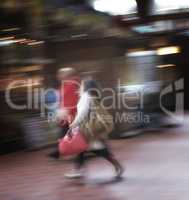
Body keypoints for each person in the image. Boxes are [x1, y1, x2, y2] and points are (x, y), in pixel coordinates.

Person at [65, 79, 123, 178]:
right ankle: (78, 170)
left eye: (82, 85)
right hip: (89, 128)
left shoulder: (86, 96)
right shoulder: (91, 96)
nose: (80, 86)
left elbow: (82, 113)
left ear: (86, 87)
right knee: (90, 148)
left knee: (88, 148)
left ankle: (78, 170)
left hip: (87, 128)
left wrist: (74, 124)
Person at [48, 68, 80, 159]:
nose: (59, 76)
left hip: (70, 114)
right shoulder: (66, 85)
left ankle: (59, 151)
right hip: (67, 113)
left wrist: (66, 113)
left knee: (67, 132)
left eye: (61, 74)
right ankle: (59, 151)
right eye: (59, 74)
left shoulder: (70, 85)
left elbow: (71, 101)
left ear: (67, 75)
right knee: (66, 133)